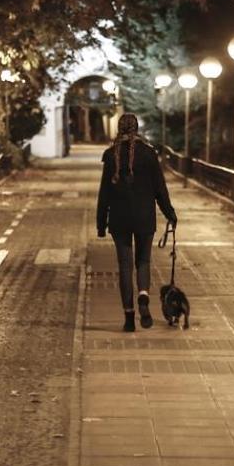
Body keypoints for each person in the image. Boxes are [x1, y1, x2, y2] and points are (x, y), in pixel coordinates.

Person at [95, 113, 177, 331]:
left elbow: (104, 193)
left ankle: (129, 317)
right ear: (137, 128)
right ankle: (143, 294)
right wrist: (170, 213)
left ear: (119, 129)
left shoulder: (111, 155)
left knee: (124, 266)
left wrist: (101, 224)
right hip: (144, 217)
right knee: (143, 261)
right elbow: (160, 189)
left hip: (119, 218)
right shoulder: (149, 154)